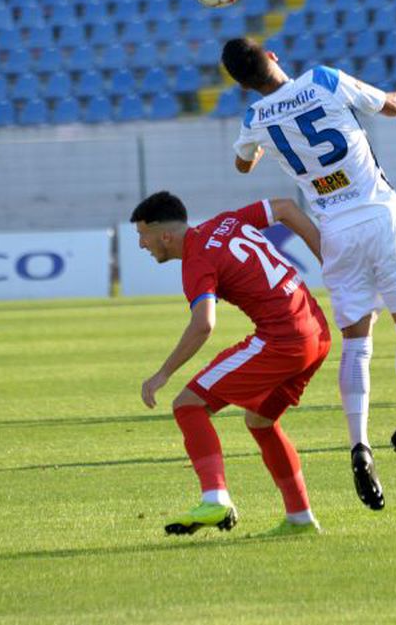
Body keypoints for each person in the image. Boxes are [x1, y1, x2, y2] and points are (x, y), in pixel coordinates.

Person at [222, 37, 396, 513]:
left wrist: (261, 143)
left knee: (357, 342)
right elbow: (392, 107)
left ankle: (359, 445)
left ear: (242, 84)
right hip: (381, 215)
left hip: (335, 233)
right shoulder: (323, 79)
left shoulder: (254, 117)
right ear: (273, 56)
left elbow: (242, 165)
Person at [133, 191, 330, 538]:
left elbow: (203, 324)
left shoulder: (196, 261)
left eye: (143, 235)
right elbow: (285, 207)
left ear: (164, 235)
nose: (140, 244)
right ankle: (300, 518)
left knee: (188, 405)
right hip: (317, 331)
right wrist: (328, 259)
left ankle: (215, 499)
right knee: (261, 421)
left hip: (282, 340)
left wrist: (162, 374)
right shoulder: (226, 221)